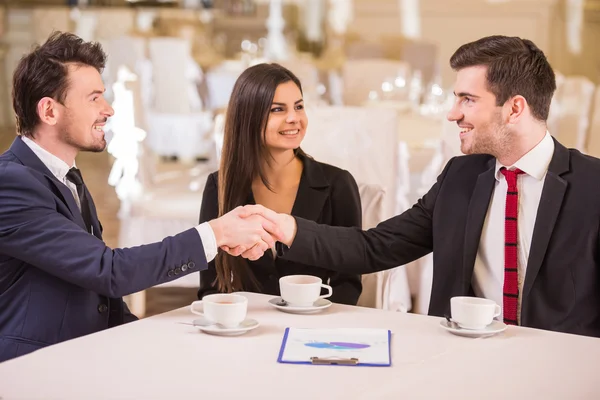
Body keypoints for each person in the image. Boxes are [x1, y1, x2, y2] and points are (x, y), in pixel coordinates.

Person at [236, 35, 600, 337]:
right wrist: (289, 228)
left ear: (515, 109)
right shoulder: (459, 178)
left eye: (467, 99)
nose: (452, 113)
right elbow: (374, 247)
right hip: (462, 365)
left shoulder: (592, 187)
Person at [0, 32, 281, 362]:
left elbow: (100, 292)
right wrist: (216, 233)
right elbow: (109, 271)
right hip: (34, 370)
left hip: (83, 355)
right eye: (93, 98)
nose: (109, 109)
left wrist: (162, 341)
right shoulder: (11, 183)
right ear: (49, 111)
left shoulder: (65, 175)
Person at [198, 63, 362, 305]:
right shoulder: (220, 186)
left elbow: (348, 283)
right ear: (248, 116)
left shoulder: (338, 185)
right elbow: (211, 286)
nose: (294, 118)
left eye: (299, 106)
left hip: (315, 329)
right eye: (278, 109)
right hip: (245, 330)